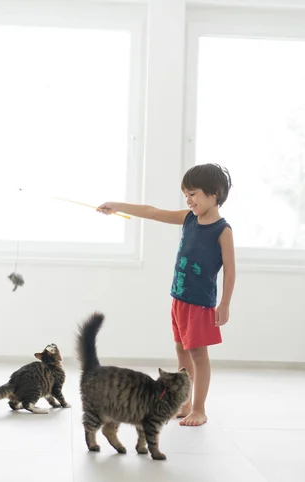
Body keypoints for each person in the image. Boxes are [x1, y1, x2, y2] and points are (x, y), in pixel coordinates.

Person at [97, 163, 235, 426]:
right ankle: (184, 404)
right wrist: (117, 205)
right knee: (181, 349)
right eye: (186, 194)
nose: (188, 199)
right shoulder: (189, 218)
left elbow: (230, 270)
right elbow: (152, 212)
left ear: (214, 193)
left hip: (200, 305)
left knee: (198, 356)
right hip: (179, 299)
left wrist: (224, 303)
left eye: (193, 194)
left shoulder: (222, 231)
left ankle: (199, 408)